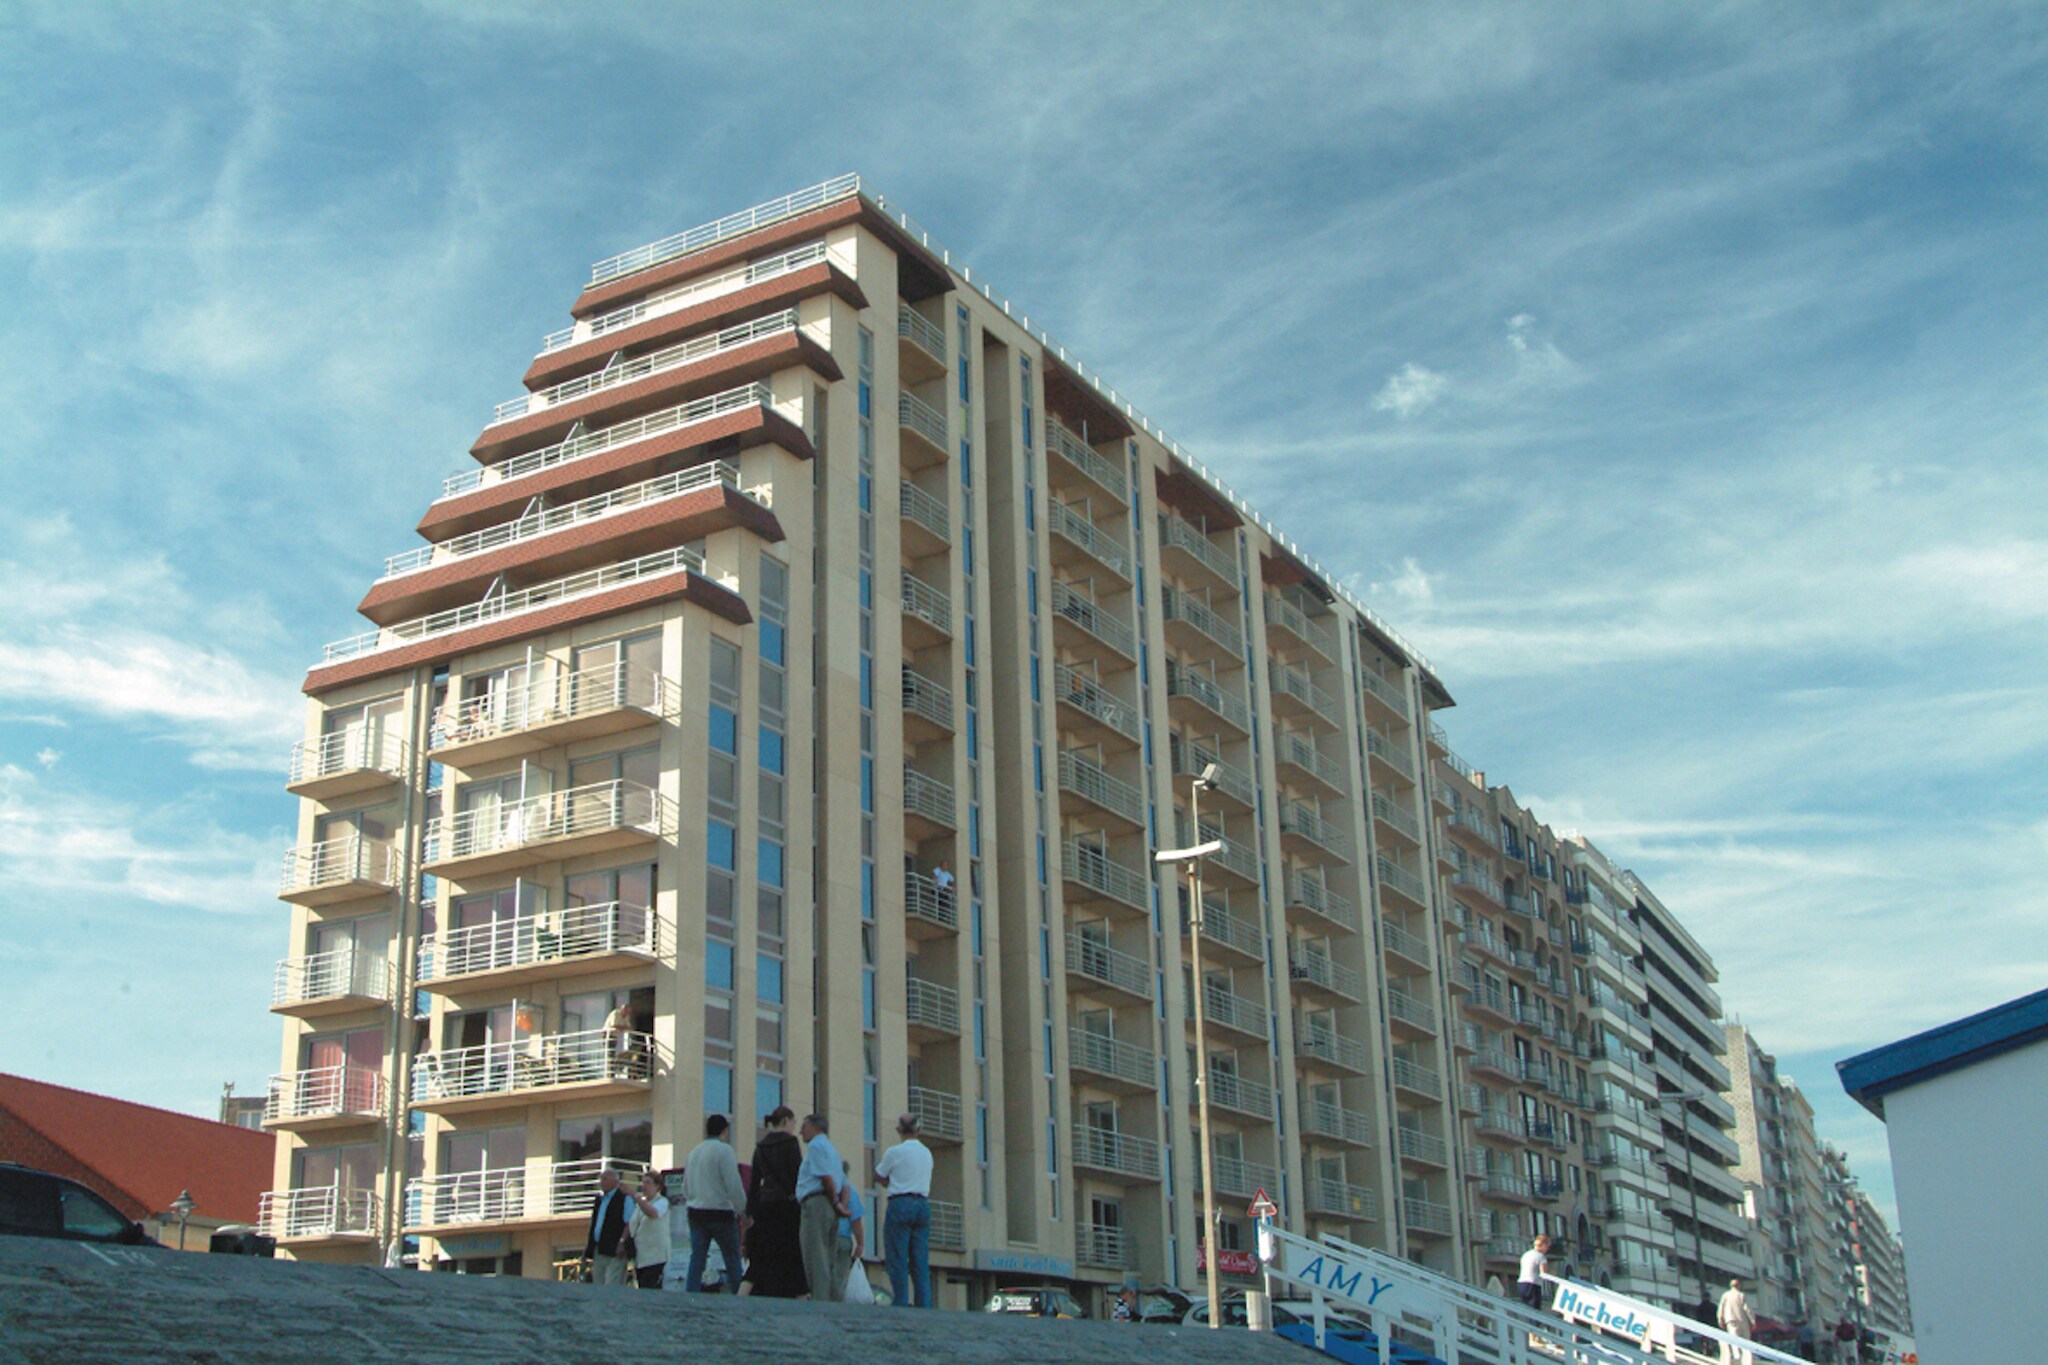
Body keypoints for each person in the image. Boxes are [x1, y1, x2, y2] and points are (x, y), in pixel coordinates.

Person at [742, 1107, 807, 1298]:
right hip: (787, 1205)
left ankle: (742, 1294)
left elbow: (754, 1183)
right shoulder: (791, 1142)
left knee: (762, 1255)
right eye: (793, 1122)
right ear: (786, 1120)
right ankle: (800, 1296)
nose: (794, 1126)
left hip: (765, 1206)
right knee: (792, 1253)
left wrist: (750, 1212)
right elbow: (798, 1175)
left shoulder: (761, 1145)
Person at [683, 1113, 749, 1294]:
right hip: (720, 1213)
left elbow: (686, 1187)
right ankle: (738, 1296)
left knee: (697, 1259)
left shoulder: (693, 1153)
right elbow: (733, 1184)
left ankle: (691, 1295)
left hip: (696, 1211)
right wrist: (743, 1210)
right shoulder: (725, 1151)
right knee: (732, 1258)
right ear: (725, 1131)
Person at [875, 1112, 935, 1308]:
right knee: (920, 1259)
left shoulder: (894, 1152)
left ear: (898, 1130)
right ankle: (924, 1304)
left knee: (897, 1256)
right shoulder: (927, 1153)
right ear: (919, 1130)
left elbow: (878, 1175)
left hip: (900, 1203)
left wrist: (892, 1182)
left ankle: (900, 1301)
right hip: (922, 1205)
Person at [795, 1113, 846, 1302]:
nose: (801, 1132)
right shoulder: (832, 1150)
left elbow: (825, 1178)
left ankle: (820, 1302)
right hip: (830, 1206)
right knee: (828, 1258)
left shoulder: (816, 1145)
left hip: (817, 1202)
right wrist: (838, 1204)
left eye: (804, 1126)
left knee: (815, 1257)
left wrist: (835, 1202)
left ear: (815, 1128)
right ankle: (833, 1301)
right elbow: (844, 1184)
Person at [581, 1167, 633, 1287]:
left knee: (612, 1285)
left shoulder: (624, 1198)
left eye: (605, 1179)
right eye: (601, 1179)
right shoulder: (599, 1200)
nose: (602, 1182)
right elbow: (595, 1224)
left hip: (615, 1250)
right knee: (598, 1285)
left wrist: (622, 1242)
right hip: (599, 1249)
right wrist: (588, 1247)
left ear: (615, 1182)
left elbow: (629, 1223)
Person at [626, 1170, 670, 1290]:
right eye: (643, 1183)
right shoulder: (641, 1205)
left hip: (655, 1257)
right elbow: (632, 1225)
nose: (644, 1186)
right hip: (641, 1257)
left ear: (657, 1186)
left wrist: (636, 1196)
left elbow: (652, 1213)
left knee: (650, 1288)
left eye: (648, 1183)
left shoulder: (662, 1202)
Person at [833, 1160, 866, 1303]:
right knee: (839, 1280)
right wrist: (860, 1243)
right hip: (842, 1239)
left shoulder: (826, 1188)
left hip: (824, 1238)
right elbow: (855, 1220)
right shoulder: (850, 1191)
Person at [1717, 1279, 1756, 1365]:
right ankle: (1746, 1359)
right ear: (1738, 1286)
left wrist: (1720, 1319)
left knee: (1734, 1338)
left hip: (1730, 1320)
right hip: (1742, 1320)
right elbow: (1747, 1309)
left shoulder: (1725, 1295)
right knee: (1746, 1339)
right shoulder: (1741, 1295)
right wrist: (1752, 1321)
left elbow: (1721, 1308)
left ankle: (1737, 1357)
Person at [1515, 1233, 1552, 1310]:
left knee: (1526, 1310)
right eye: (1547, 1246)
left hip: (1521, 1283)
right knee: (1535, 1311)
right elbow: (1544, 1273)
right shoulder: (1541, 1256)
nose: (1547, 1249)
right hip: (1533, 1284)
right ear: (1543, 1245)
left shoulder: (1526, 1254)